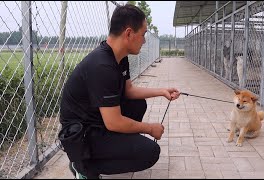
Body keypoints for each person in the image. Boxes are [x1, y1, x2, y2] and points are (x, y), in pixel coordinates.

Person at [59, 4, 180, 179]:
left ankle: (113, 148)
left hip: (97, 120)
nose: (145, 40)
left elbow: (129, 91)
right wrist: (150, 128)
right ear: (129, 33)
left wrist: (162, 91)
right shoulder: (102, 66)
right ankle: (83, 165)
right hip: (81, 134)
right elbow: (114, 122)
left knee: (137, 104)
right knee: (149, 152)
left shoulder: (119, 57)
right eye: (143, 34)